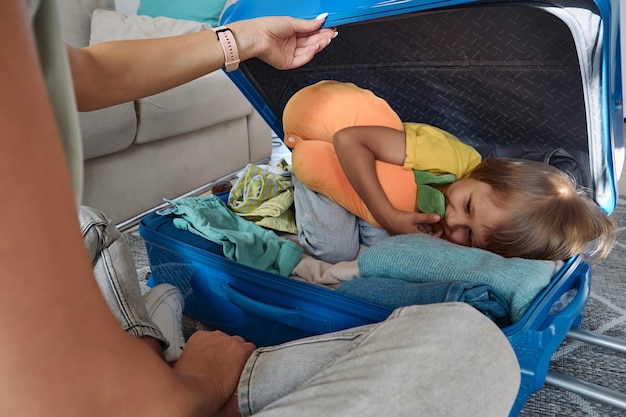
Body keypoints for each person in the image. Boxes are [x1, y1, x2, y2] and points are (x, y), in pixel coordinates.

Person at [1, 1, 521, 416]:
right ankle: (167, 357)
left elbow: (82, 72)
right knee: (466, 340)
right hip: (131, 397)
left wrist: (242, 40)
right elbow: (91, 400)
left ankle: (149, 340)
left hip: (87, 368)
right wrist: (200, 378)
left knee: (92, 228)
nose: (456, 225)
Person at [289, 84, 615, 264]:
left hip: (378, 193)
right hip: (341, 150)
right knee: (334, 252)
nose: (455, 222)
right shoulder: (449, 157)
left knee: (382, 250)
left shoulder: (463, 221)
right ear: (486, 171)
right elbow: (349, 139)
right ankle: (304, 173)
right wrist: (386, 215)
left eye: (470, 237)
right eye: (469, 206)